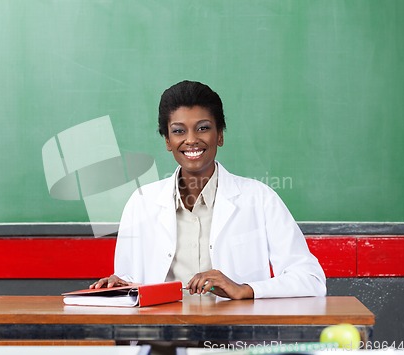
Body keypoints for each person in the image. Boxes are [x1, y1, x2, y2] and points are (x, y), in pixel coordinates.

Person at [91, 80, 326, 299]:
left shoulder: (260, 198)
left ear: (220, 135)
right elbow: (131, 279)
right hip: (162, 335)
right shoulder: (142, 201)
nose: (191, 140)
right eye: (179, 131)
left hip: (233, 337)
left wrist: (245, 289)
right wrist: (119, 285)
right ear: (167, 141)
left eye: (203, 128)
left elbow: (311, 280)